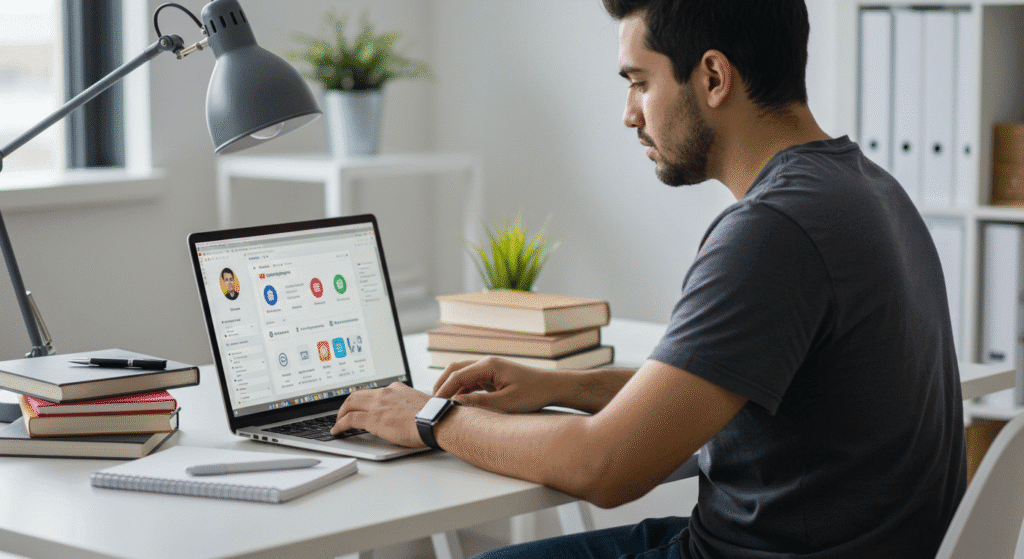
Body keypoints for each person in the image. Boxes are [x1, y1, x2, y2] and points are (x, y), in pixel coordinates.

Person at [331, 1, 967, 557]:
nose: (630, 115)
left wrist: (429, 417)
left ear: (713, 77)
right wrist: (561, 387)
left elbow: (605, 467)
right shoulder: (867, 190)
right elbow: (717, 384)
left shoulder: (773, 229)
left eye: (639, 83)